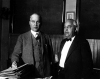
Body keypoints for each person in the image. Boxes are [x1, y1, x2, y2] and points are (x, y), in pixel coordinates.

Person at [10, 13, 54, 78]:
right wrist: (14, 62)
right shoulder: (22, 37)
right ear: (29, 23)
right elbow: (15, 54)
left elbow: (51, 56)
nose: (35, 24)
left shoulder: (46, 37)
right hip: (28, 74)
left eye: (37, 22)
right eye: (33, 21)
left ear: (40, 23)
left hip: (44, 74)